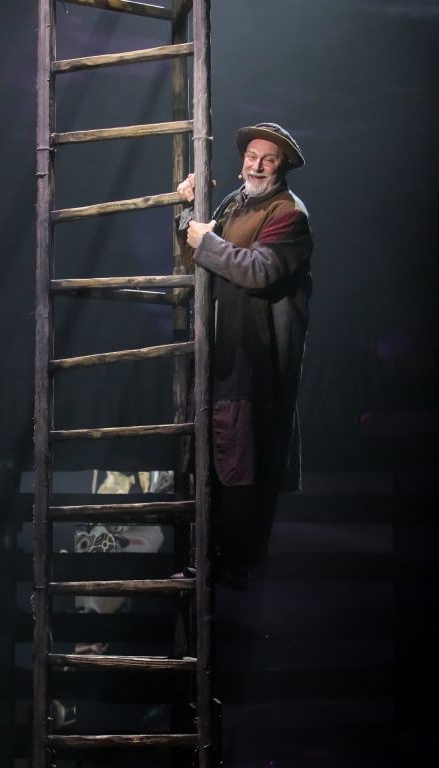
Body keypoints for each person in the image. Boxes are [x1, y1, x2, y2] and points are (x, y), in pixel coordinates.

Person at [176, 122, 313, 588]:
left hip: (253, 359)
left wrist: (205, 240)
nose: (256, 165)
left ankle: (231, 563)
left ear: (282, 166)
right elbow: (194, 252)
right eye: (252, 156)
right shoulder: (234, 204)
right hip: (220, 353)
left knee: (240, 463)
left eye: (268, 159)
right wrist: (188, 209)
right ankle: (206, 557)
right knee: (209, 456)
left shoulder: (288, 214)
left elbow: (258, 269)